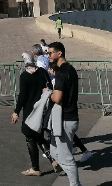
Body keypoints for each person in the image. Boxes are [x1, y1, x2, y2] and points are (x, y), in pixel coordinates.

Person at [11, 52, 54, 177]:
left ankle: (35, 168)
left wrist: (16, 111)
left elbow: (23, 96)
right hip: (42, 108)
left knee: (29, 135)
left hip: (30, 110)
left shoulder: (25, 76)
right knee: (38, 135)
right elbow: (50, 87)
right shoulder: (42, 72)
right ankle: (53, 159)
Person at [47, 42, 82, 186]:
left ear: (59, 53)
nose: (48, 56)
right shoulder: (70, 69)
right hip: (68, 117)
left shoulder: (62, 73)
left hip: (65, 119)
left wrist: (48, 93)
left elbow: (57, 98)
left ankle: (75, 184)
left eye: (50, 53)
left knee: (66, 158)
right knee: (54, 152)